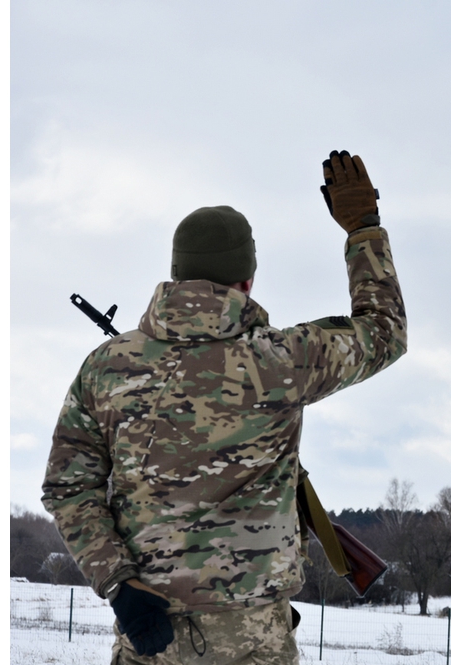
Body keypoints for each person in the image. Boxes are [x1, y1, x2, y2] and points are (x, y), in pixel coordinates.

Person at [42, 150, 407, 664]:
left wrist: (118, 583)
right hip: (256, 643)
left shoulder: (106, 367)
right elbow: (384, 332)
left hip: (149, 633)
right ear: (247, 279)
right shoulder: (283, 359)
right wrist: (363, 230)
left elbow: (67, 488)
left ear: (176, 273)